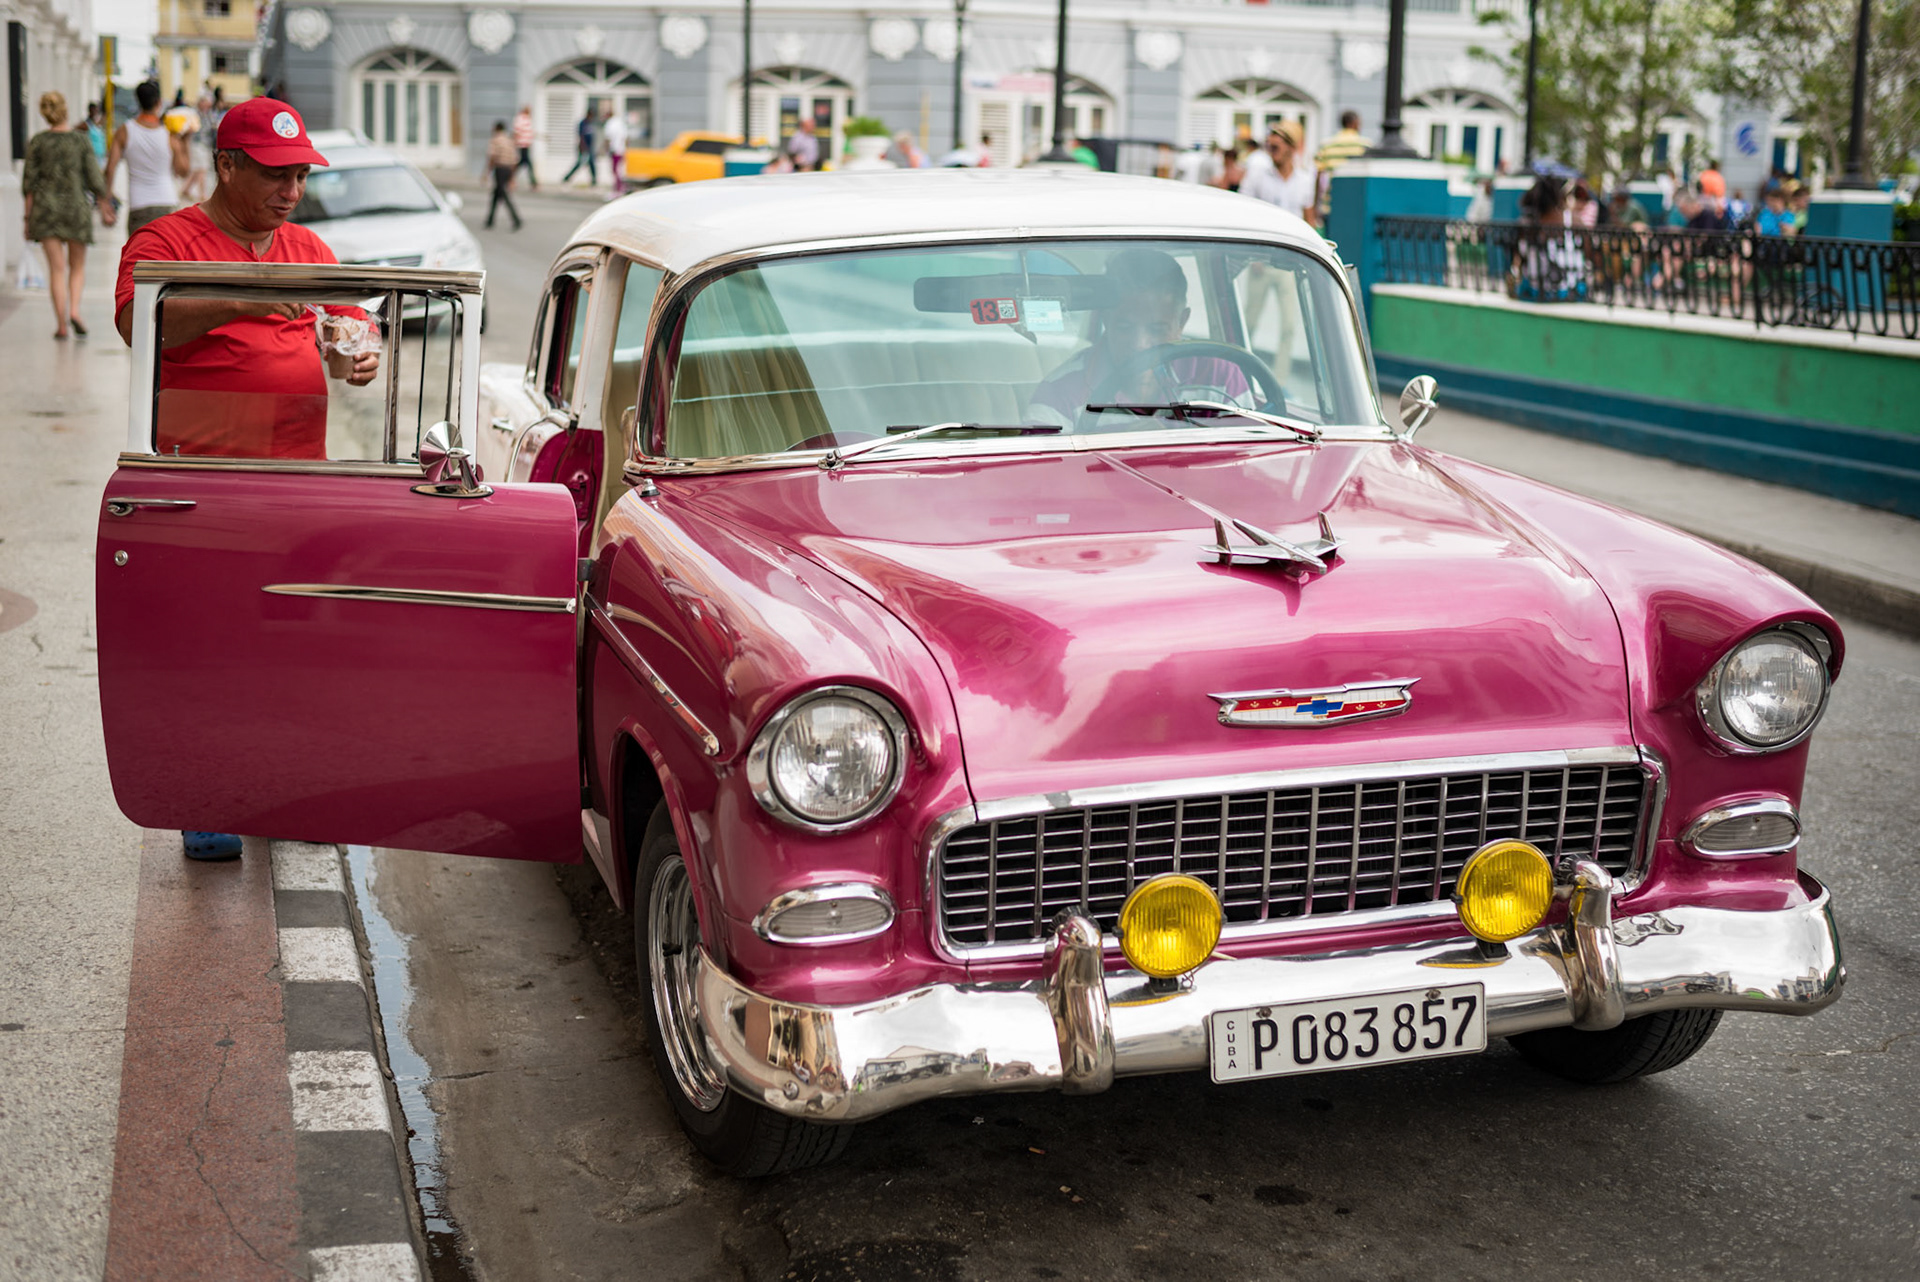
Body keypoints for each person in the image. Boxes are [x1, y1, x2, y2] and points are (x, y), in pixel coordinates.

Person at [113, 97, 380, 861]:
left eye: (299, 175)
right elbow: (140, 326)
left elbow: (353, 332)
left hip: (299, 478)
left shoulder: (308, 247)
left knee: (290, 644)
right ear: (226, 165)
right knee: (204, 645)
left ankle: (283, 787)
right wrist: (247, 295)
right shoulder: (165, 240)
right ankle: (207, 795)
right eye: (274, 174)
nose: (291, 190)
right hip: (202, 482)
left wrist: (357, 357)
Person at [1026, 247, 1250, 427]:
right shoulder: (1063, 390)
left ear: (1182, 322)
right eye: (1125, 327)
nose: (1140, 345)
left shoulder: (1221, 377)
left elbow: (1248, 461)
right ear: (1106, 319)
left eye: (1157, 329)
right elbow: (1039, 477)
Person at [23, 91, 116, 341]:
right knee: (77, 267)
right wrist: (105, 201)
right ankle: (75, 311)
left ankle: (61, 325)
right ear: (65, 109)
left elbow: (29, 183)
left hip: (46, 210)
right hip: (76, 208)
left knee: (56, 269)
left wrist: (26, 217)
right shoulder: (80, 140)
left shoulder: (38, 142)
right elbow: (94, 178)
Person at [106, 80, 189, 235]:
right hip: (166, 203)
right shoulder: (169, 135)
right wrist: (186, 141)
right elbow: (183, 171)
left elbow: (110, 169)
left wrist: (106, 200)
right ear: (159, 102)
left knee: (139, 257)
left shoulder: (124, 131)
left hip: (139, 205)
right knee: (165, 258)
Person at [1240, 121, 1318, 227]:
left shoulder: (1305, 180)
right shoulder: (1256, 176)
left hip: (1293, 240)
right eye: (1270, 148)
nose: (1272, 153)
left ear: (1291, 148)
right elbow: (1244, 212)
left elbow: (1309, 220)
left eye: (1276, 148)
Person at [1311, 109, 1372, 219]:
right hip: (1356, 201)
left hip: (1330, 202)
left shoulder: (1326, 145)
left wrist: (1315, 204)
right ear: (1355, 123)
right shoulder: (1365, 145)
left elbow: (1318, 175)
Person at [485, 121, 522, 230]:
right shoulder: (509, 140)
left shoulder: (495, 140)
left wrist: (487, 172)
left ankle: (516, 219)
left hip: (500, 168)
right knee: (496, 195)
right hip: (508, 169)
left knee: (503, 194)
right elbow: (515, 159)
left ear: (496, 128)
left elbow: (492, 157)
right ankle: (490, 220)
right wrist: (512, 176)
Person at [562, 109, 597, 185]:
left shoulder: (590, 124)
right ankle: (567, 177)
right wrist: (582, 147)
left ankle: (594, 180)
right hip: (584, 147)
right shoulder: (583, 123)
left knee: (592, 164)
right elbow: (581, 136)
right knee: (579, 163)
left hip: (590, 147)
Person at [602, 106, 628, 196]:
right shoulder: (620, 123)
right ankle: (620, 187)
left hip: (614, 150)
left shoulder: (609, 124)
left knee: (615, 170)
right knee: (619, 170)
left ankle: (618, 189)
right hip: (621, 150)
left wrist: (606, 150)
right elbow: (626, 138)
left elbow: (607, 139)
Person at [511, 105, 538, 188]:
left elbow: (529, 132)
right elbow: (516, 131)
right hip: (521, 144)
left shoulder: (527, 119)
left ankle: (510, 177)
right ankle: (533, 182)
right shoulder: (520, 119)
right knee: (528, 163)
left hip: (526, 144)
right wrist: (514, 143)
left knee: (522, 162)